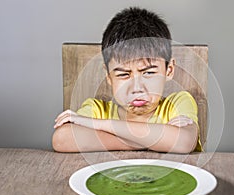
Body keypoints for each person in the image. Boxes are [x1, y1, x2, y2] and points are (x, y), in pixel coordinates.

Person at [52, 7, 201, 153]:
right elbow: (62, 139)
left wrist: (97, 125)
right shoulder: (97, 109)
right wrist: (158, 140)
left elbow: (183, 141)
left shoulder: (178, 103)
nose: (136, 88)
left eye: (148, 72)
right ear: (109, 76)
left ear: (169, 70)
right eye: (123, 74)